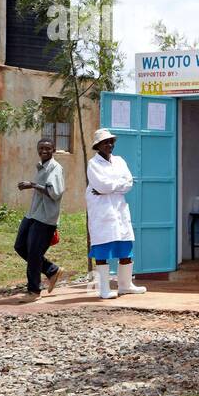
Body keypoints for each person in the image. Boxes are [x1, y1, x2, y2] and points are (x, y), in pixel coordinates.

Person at [86, 128, 147, 299]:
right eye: (106, 142)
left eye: (112, 141)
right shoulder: (93, 164)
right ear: (98, 145)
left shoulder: (120, 161)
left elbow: (128, 183)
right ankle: (104, 289)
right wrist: (115, 186)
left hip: (119, 210)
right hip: (102, 212)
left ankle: (125, 285)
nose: (110, 145)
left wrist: (110, 187)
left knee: (125, 248)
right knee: (102, 250)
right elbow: (100, 185)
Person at [14, 137, 65, 298]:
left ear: (54, 150)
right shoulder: (41, 167)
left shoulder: (55, 168)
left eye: (48, 148)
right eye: (41, 148)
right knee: (20, 246)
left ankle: (34, 290)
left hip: (45, 217)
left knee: (34, 253)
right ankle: (52, 270)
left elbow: (54, 192)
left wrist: (32, 185)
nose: (44, 151)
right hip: (33, 214)